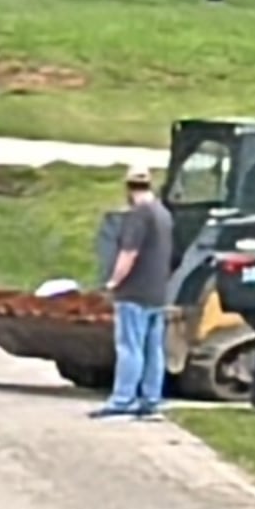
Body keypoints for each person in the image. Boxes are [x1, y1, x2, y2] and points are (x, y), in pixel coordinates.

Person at [94, 167, 177, 418]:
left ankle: (123, 399)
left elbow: (129, 254)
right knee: (154, 350)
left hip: (134, 293)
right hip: (158, 292)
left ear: (128, 188)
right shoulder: (163, 214)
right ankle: (151, 399)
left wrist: (113, 282)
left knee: (130, 347)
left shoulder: (138, 216)